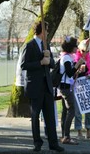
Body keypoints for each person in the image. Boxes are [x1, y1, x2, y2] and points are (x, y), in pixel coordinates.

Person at [21, 21, 64, 152]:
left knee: (50, 116)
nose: (48, 32)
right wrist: (40, 62)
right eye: (47, 29)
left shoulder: (46, 45)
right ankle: (37, 143)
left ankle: (53, 143)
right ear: (41, 30)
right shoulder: (29, 45)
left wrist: (49, 58)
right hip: (35, 86)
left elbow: (51, 64)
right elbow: (24, 65)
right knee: (35, 116)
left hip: (47, 86)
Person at [59, 36, 85, 145]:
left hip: (65, 86)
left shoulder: (67, 57)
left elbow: (70, 71)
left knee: (66, 111)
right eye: (75, 46)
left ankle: (64, 135)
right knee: (71, 110)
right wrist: (78, 64)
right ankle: (66, 136)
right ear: (71, 47)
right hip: (65, 87)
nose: (77, 48)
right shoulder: (66, 58)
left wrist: (77, 67)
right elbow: (69, 73)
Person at [74, 39, 90, 139]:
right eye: (83, 51)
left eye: (86, 51)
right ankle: (78, 131)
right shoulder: (75, 58)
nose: (84, 53)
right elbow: (71, 73)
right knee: (78, 110)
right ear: (79, 50)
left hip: (87, 88)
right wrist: (78, 69)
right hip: (77, 88)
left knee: (88, 110)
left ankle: (88, 130)